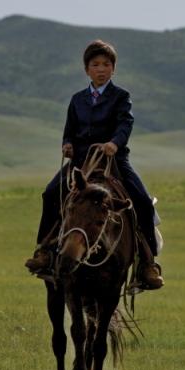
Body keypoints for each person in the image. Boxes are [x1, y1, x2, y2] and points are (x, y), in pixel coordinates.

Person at [25, 40, 164, 290]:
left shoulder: (121, 97)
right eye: (95, 64)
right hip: (81, 161)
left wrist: (114, 143)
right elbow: (69, 130)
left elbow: (125, 124)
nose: (101, 69)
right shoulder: (77, 99)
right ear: (87, 69)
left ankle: (147, 264)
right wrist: (67, 144)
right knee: (49, 194)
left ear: (113, 68)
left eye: (106, 64)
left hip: (114, 160)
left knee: (141, 201)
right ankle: (44, 252)